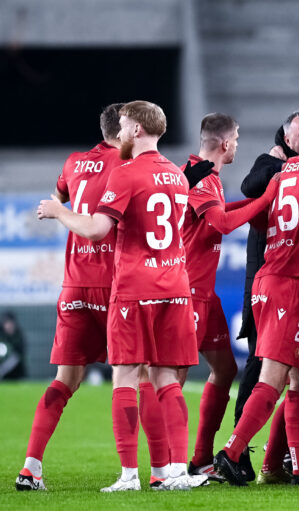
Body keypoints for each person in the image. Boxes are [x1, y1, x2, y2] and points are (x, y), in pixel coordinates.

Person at [37, 100, 205, 491]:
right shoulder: (177, 177)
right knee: (167, 380)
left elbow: (96, 229)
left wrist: (57, 211)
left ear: (138, 131)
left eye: (127, 125)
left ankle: (130, 475)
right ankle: (176, 472)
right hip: (175, 287)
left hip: (134, 288)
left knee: (126, 377)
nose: (123, 131)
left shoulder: (127, 173)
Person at [213, 119, 299, 486]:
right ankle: (231, 452)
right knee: (273, 381)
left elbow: (255, 213)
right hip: (288, 285)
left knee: (298, 380)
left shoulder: (283, 171)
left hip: (270, 279)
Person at [16, 104, 125, 492]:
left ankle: (30, 468)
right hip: (116, 285)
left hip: (74, 284)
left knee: (64, 382)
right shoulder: (129, 164)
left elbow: (59, 195)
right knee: (139, 377)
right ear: (127, 128)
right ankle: (158, 471)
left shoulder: (75, 161)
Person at [180, 113, 278, 481]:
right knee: (173, 378)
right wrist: (267, 197)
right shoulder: (200, 176)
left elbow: (222, 213)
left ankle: (202, 458)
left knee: (224, 369)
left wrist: (257, 205)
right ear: (224, 143)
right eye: (236, 138)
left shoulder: (209, 176)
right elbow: (221, 224)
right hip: (185, 290)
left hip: (204, 293)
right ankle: (168, 466)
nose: (237, 144)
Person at [234, 109, 299, 478]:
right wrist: (280, 164)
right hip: (277, 281)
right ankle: (237, 451)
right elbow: (250, 186)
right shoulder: (274, 166)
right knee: (265, 369)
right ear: (286, 140)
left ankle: (281, 461)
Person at [0, 311, 26, 380]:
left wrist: (2, 370)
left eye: (10, 323)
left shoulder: (19, 337)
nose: (8, 326)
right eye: (6, 323)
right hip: (4, 378)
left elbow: (17, 357)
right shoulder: (1, 336)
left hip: (17, 374)